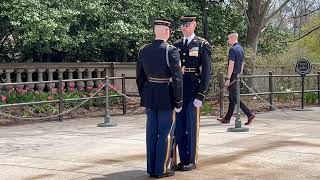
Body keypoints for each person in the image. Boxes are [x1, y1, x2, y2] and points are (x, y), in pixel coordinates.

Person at [136, 18, 183, 178]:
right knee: (165, 133)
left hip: (150, 94)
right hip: (165, 96)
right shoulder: (171, 50)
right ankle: (161, 169)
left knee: (151, 132)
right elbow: (177, 79)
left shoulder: (144, 50)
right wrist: (178, 101)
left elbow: (139, 77)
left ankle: (151, 169)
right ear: (166, 32)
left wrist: (145, 95)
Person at [173, 15, 211, 171]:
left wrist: (201, 95)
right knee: (180, 127)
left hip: (193, 91)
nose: (184, 27)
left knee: (192, 127)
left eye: (187, 25)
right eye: (182, 25)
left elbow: (207, 72)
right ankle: (182, 159)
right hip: (179, 92)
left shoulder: (202, 45)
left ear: (194, 25)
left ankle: (191, 160)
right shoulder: (176, 45)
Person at [217, 31, 255, 125]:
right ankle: (227, 118)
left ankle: (249, 114)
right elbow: (242, 63)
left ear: (234, 38)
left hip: (232, 76)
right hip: (237, 75)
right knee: (232, 98)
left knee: (235, 97)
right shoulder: (241, 49)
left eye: (229, 38)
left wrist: (228, 78)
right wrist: (239, 74)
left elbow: (231, 65)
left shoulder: (233, 49)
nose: (228, 40)